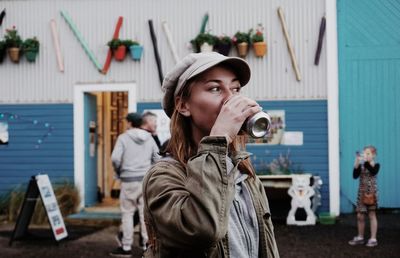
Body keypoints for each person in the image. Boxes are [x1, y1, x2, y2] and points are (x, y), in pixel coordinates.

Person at [142, 52, 280, 257]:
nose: (231, 99)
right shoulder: (163, 176)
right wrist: (218, 139)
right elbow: (203, 231)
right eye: (215, 88)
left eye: (235, 89)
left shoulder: (242, 172)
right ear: (183, 105)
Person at [110, 112, 160, 257]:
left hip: (128, 181)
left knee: (127, 213)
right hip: (145, 181)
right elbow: (157, 158)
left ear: (130, 123)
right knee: (144, 214)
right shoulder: (149, 138)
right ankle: (147, 246)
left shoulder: (123, 138)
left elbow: (115, 158)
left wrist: (119, 171)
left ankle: (126, 247)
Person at [348, 145, 380, 247]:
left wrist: (365, 161)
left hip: (371, 193)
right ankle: (360, 237)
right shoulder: (362, 165)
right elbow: (354, 176)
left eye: (368, 153)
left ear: (374, 155)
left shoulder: (376, 165)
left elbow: (373, 171)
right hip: (361, 193)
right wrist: (357, 162)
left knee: (371, 215)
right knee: (360, 215)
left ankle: (373, 238)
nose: (366, 155)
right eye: (364, 153)